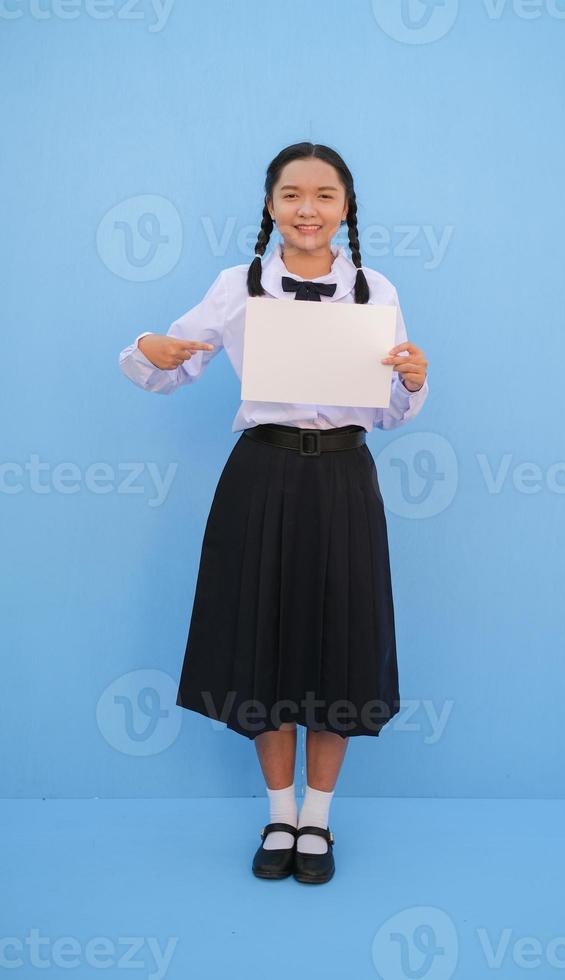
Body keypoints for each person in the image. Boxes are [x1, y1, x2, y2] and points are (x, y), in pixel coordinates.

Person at [118, 141, 429, 885]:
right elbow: (172, 366)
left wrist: (413, 381)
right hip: (260, 477)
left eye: (325, 195)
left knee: (339, 642)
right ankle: (279, 813)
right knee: (264, 640)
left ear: (346, 207)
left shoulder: (375, 289)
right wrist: (148, 349)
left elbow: (388, 413)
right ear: (270, 204)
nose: (308, 208)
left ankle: (318, 824)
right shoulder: (238, 284)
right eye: (292, 194)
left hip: (346, 479)